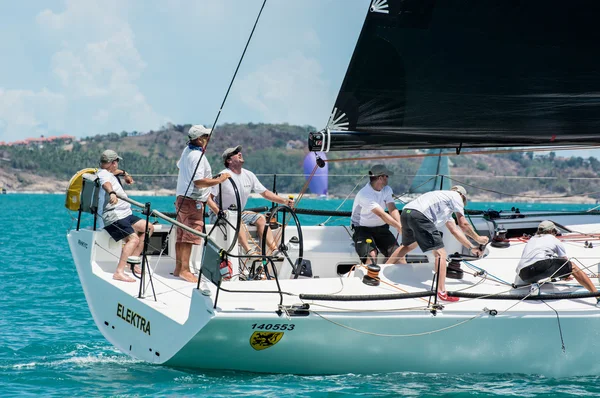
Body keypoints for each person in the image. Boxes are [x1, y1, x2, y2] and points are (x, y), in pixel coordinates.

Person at [390, 186, 488, 302]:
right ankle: (441, 292)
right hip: (420, 216)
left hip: (406, 213)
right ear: (462, 196)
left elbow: (455, 230)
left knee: (409, 246)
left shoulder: (443, 202)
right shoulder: (456, 196)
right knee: (441, 254)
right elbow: (463, 225)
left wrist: (471, 248)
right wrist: (478, 239)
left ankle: (381, 271)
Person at [207, 145, 294, 255]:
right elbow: (208, 198)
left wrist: (284, 201)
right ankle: (248, 251)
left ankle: (274, 250)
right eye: (236, 152)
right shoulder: (221, 176)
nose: (240, 153)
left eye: (239, 151)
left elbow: (265, 193)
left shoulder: (249, 175)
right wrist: (219, 212)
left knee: (261, 218)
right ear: (229, 160)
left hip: (238, 213)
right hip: (218, 215)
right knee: (236, 217)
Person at [175, 125, 230, 283]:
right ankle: (185, 271)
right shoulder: (197, 156)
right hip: (193, 200)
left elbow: (181, 166)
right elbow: (198, 181)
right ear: (199, 139)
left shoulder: (187, 151)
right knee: (190, 235)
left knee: (181, 234)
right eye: (206, 136)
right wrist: (220, 179)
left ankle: (178, 268)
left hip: (181, 198)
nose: (209, 139)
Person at [97, 149, 154, 282]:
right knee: (133, 239)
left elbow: (116, 173)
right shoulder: (104, 175)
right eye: (116, 161)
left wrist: (125, 174)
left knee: (149, 228)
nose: (117, 164)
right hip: (113, 215)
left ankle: (131, 262)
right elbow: (106, 184)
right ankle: (119, 272)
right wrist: (111, 193)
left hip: (125, 214)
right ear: (113, 163)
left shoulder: (109, 171)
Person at [517, 220, 598, 298]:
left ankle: (534, 284)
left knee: (549, 261)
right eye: (554, 232)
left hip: (523, 275)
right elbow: (564, 262)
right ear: (550, 231)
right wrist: (565, 275)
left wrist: (562, 274)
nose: (555, 234)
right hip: (539, 267)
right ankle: (597, 295)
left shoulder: (532, 240)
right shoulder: (553, 239)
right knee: (572, 266)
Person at [350, 164, 403, 265]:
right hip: (362, 229)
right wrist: (397, 226)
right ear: (380, 178)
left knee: (398, 255)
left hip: (382, 228)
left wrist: (401, 225)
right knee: (372, 255)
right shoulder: (364, 194)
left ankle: (388, 276)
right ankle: (369, 278)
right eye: (387, 176)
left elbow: (392, 209)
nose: (388, 178)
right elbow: (381, 214)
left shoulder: (387, 189)